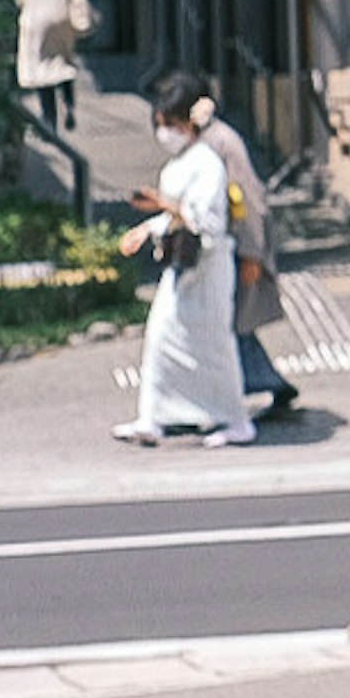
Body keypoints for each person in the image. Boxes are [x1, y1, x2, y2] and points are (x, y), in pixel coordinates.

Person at [115, 73, 254, 447]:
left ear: (189, 122)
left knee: (213, 346)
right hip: (184, 265)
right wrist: (146, 228)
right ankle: (154, 416)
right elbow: (176, 216)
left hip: (208, 267)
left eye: (170, 125)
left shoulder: (207, 162)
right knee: (161, 337)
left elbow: (205, 219)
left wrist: (162, 205)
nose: (164, 134)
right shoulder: (181, 162)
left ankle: (235, 419)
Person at [180, 78, 299, 423]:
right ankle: (266, 384)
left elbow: (247, 198)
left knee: (229, 325)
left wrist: (252, 253)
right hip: (224, 246)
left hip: (235, 245)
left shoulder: (221, 142)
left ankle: (263, 385)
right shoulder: (207, 139)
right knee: (228, 325)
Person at [10, 0, 94, 132]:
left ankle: (49, 120)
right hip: (61, 16)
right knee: (63, 62)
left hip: (34, 20)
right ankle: (69, 105)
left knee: (40, 70)